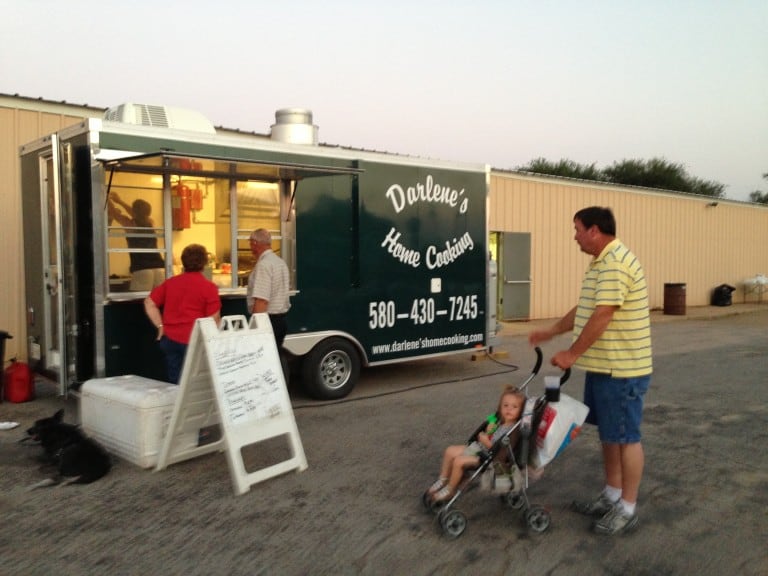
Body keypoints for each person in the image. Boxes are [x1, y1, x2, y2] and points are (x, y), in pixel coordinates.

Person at [528, 206, 652, 535]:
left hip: (623, 369)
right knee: (610, 436)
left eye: (577, 229)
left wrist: (572, 353)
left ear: (594, 231)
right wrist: (552, 331)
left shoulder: (616, 262)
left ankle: (627, 507)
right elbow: (585, 308)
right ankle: (611, 495)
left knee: (626, 438)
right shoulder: (600, 263)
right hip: (603, 368)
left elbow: (603, 314)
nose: (575, 236)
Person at [427, 385, 526, 502]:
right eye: (505, 405)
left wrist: (486, 441)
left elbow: (502, 452)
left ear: (521, 411)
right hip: (480, 449)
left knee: (459, 461)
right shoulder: (501, 420)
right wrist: (489, 428)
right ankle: (443, 479)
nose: (509, 409)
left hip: (491, 458)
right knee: (450, 451)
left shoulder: (514, 430)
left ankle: (450, 489)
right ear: (500, 407)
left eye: (514, 407)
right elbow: (490, 426)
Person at [144, 244, 221, 384]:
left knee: (175, 382)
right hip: (195, 341)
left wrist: (160, 325)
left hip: (170, 339)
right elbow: (214, 319)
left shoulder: (170, 283)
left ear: (184, 262)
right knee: (195, 386)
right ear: (204, 263)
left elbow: (149, 303)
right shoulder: (208, 287)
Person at [107, 192, 165, 291]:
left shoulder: (130, 224)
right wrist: (120, 201)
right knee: (158, 302)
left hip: (142, 269)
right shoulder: (151, 222)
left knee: (139, 303)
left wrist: (105, 197)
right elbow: (138, 214)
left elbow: (113, 212)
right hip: (160, 269)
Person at [246, 228, 291, 348]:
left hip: (267, 322)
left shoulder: (263, 265)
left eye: (250, 243)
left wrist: (255, 327)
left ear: (255, 243)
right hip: (281, 321)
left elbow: (262, 300)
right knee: (277, 358)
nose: (250, 248)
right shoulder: (280, 262)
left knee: (266, 361)